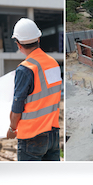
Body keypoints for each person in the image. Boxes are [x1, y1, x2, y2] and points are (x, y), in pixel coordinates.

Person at [6, 18, 62, 161]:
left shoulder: (25, 68)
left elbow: (18, 105)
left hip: (32, 137)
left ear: (18, 44)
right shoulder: (54, 63)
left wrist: (12, 129)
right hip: (53, 134)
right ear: (38, 38)